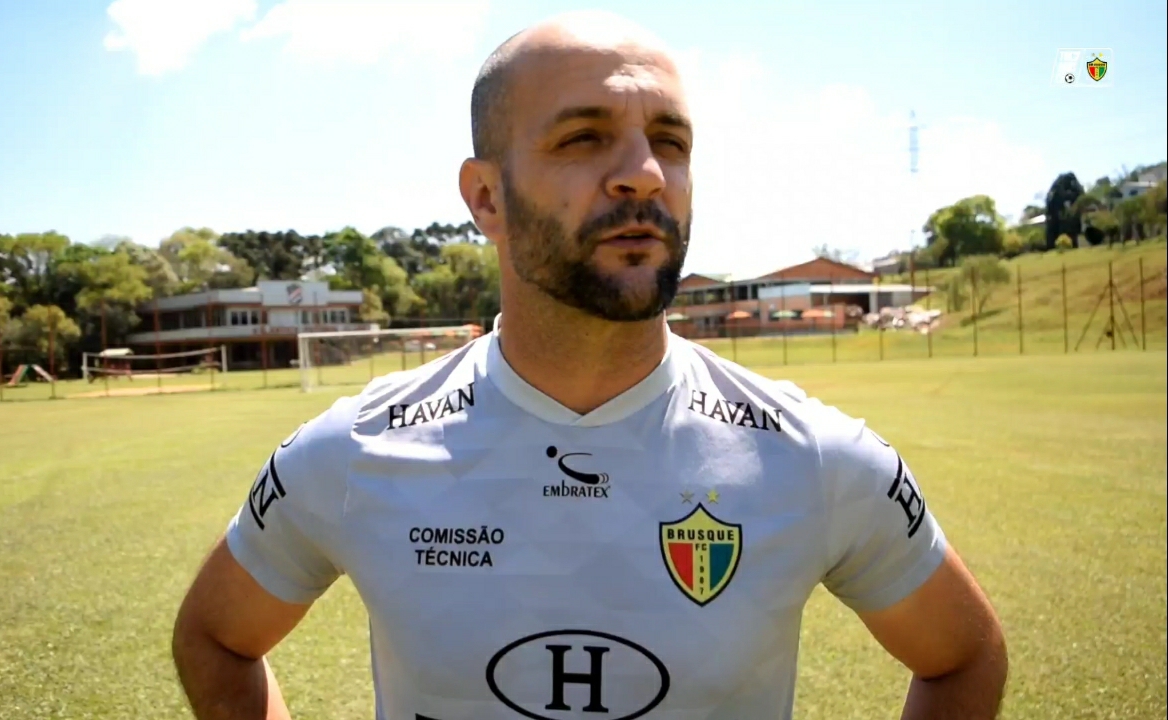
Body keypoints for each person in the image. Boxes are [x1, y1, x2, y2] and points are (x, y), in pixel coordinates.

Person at [171, 11, 1008, 720]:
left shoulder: (816, 457)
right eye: (583, 138)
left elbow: (964, 657)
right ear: (486, 198)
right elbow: (215, 637)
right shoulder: (354, 450)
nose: (644, 174)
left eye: (670, 142)